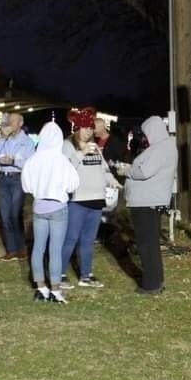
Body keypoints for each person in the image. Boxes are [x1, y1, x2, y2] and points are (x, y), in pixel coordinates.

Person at [61, 108, 120, 288]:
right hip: (77, 200)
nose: (89, 131)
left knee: (88, 239)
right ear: (77, 128)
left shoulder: (94, 146)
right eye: (86, 128)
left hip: (96, 200)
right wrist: (82, 152)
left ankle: (86, 275)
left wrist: (113, 181)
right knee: (71, 238)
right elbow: (66, 167)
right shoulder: (68, 145)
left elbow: (103, 169)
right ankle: (60, 273)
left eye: (91, 128)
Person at [21, 122, 79, 304]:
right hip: (58, 208)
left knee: (38, 248)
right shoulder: (62, 160)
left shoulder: (33, 159)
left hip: (39, 207)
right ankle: (55, 289)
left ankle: (40, 287)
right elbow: (73, 184)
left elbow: (26, 185)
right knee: (55, 249)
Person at [122, 116, 176, 295]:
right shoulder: (164, 146)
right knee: (150, 243)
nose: (145, 137)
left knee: (147, 245)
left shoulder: (161, 148)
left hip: (146, 202)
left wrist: (125, 170)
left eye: (146, 133)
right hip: (150, 200)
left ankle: (151, 284)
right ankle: (156, 279)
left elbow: (144, 172)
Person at [0, 112, 36, 261]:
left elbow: (30, 163)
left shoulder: (27, 142)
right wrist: (2, 138)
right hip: (3, 179)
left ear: (20, 123)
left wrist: (13, 161)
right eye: (9, 121)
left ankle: (21, 248)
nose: (10, 124)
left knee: (15, 215)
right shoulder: (4, 139)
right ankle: (11, 250)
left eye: (13, 121)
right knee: (5, 216)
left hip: (17, 179)